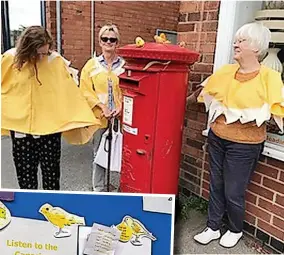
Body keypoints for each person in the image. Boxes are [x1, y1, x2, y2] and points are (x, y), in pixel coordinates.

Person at [187, 22, 284, 248]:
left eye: (242, 41)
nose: (235, 43)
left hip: (245, 145)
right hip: (217, 138)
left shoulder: (269, 77)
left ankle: (235, 229)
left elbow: (279, 108)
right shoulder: (225, 72)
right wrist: (180, 102)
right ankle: (212, 226)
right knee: (216, 184)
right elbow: (202, 91)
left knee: (233, 190)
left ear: (257, 48)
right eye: (236, 39)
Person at [1, 26, 100, 190]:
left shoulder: (54, 60)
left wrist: (86, 113)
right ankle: (30, 211)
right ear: (27, 48)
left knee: (51, 176)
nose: (42, 57)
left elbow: (69, 91)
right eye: (38, 53)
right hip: (21, 128)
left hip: (50, 128)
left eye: (45, 53)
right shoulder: (10, 58)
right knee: (25, 178)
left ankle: (52, 209)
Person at [80, 24, 125, 192]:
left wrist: (121, 107)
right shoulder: (91, 65)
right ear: (99, 42)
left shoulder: (125, 65)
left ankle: (123, 186)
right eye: (104, 39)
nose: (108, 42)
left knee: (120, 151)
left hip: (119, 117)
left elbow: (130, 90)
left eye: (112, 39)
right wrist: (101, 106)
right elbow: (84, 90)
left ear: (117, 43)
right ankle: (99, 187)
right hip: (99, 117)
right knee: (99, 153)